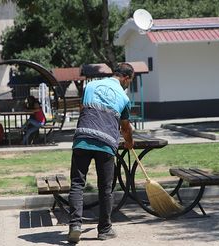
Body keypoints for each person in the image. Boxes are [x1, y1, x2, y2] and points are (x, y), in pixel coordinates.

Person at [67, 63, 134, 243]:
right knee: (105, 188)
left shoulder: (90, 86)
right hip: (105, 144)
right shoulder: (124, 98)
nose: (129, 85)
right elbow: (125, 127)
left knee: (77, 184)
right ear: (126, 78)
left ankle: (75, 226)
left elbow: (86, 111)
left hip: (82, 139)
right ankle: (104, 230)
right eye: (130, 81)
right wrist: (129, 143)